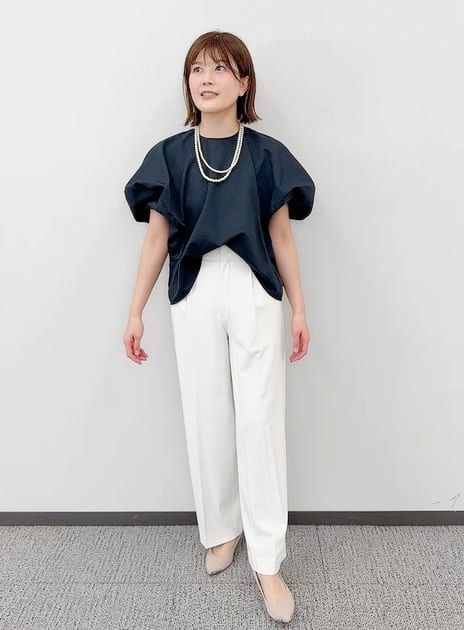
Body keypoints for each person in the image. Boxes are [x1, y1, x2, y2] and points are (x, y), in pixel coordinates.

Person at [123, 30, 316, 624]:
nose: (206, 79)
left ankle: (268, 559)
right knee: (206, 413)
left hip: (255, 288)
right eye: (197, 69)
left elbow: (282, 237)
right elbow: (156, 240)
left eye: (221, 68)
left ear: (244, 82)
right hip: (194, 288)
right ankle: (222, 529)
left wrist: (300, 308)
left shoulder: (266, 155)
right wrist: (134, 310)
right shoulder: (169, 155)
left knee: (260, 420)